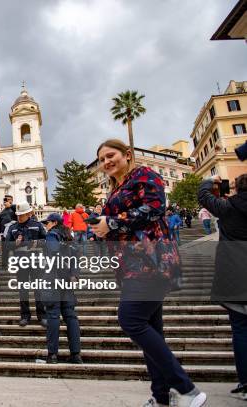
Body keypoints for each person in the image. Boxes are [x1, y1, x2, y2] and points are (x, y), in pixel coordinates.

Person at [90, 139, 206, 407]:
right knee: (152, 329)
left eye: (111, 155)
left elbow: (155, 209)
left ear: (127, 155)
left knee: (130, 319)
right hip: (132, 265)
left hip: (151, 261)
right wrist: (100, 229)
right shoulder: (115, 188)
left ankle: (187, 389)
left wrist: (113, 223)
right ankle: (162, 397)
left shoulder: (144, 175)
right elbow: (117, 226)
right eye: (102, 159)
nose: (106, 162)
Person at [198, 173, 247, 399]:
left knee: (240, 329)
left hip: (235, 276)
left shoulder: (227, 207)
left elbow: (203, 194)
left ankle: (245, 381)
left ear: (237, 188)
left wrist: (211, 179)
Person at [42, 213, 82, 364]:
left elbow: (53, 254)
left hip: (54, 278)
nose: (46, 226)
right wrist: (74, 275)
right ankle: (76, 354)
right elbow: (75, 257)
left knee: (53, 315)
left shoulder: (52, 235)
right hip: (67, 280)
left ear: (54, 223)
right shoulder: (69, 236)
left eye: (47, 223)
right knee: (70, 316)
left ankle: (52, 355)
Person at [6, 202, 47, 327]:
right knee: (23, 290)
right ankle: (25, 315)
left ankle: (42, 315)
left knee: (38, 288)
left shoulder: (37, 225)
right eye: (18, 215)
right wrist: (15, 244)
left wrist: (37, 243)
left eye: (22, 215)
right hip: (21, 262)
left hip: (36, 260)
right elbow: (6, 245)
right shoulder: (12, 228)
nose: (19, 217)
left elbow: (46, 240)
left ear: (28, 213)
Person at [0, 195, 17, 266]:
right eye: (6, 200)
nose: (7, 201)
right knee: (5, 250)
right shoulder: (2, 213)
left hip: (14, 233)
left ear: (12, 200)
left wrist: (10, 206)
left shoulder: (15, 209)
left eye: (9, 199)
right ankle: (4, 265)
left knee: (15, 249)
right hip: (4, 234)